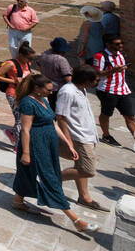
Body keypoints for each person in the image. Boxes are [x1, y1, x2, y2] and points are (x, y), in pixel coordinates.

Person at [12, 74, 99, 235]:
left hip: (48, 144)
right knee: (50, 179)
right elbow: (25, 129)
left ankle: (17, 200)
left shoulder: (43, 100)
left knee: (27, 173)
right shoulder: (27, 103)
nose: (51, 93)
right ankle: (76, 220)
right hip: (35, 145)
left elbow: (52, 123)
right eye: (48, 90)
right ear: (37, 89)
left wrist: (68, 143)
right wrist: (25, 153)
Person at [94, 34, 135, 156]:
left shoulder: (121, 55)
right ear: (108, 44)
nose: (121, 45)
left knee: (131, 117)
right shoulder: (100, 56)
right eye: (117, 44)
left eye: (121, 43)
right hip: (107, 91)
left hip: (123, 91)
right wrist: (112, 71)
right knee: (106, 114)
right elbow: (97, 74)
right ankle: (106, 135)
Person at [55, 66, 106, 211]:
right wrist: (68, 140)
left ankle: (84, 197)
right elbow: (61, 116)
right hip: (78, 137)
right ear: (85, 80)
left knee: (81, 167)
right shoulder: (67, 92)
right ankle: (52, 180)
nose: (98, 82)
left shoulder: (81, 89)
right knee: (88, 170)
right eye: (95, 80)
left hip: (88, 135)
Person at [0, 43, 37, 146]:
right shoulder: (11, 64)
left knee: (23, 118)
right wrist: (13, 80)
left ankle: (12, 133)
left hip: (24, 94)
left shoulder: (27, 63)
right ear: (21, 55)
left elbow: (25, 74)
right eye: (29, 58)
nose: (30, 61)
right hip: (13, 94)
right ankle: (18, 146)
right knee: (20, 120)